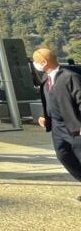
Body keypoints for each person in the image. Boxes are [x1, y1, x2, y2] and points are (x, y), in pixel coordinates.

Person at [34, 48, 81, 193]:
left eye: (36, 61)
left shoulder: (69, 77)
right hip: (56, 126)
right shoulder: (46, 79)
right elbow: (48, 101)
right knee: (63, 155)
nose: (35, 64)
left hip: (73, 125)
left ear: (44, 62)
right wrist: (44, 115)